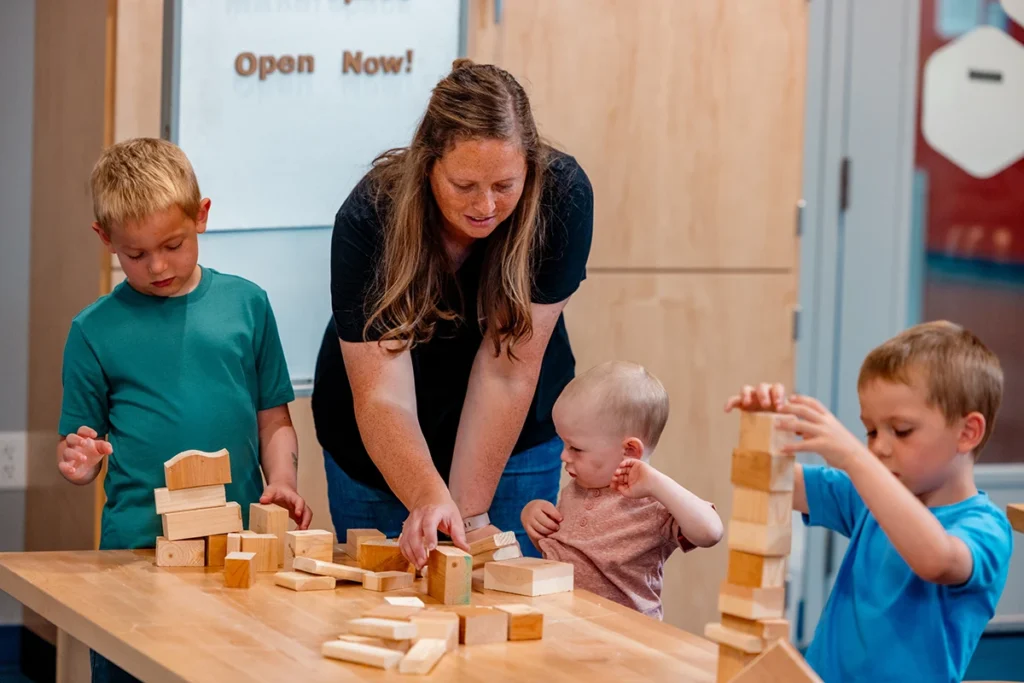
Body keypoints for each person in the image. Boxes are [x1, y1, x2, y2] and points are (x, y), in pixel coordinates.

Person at [312, 58, 593, 567]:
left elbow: (508, 371)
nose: (485, 205)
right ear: (428, 164)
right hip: (380, 444)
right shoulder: (370, 215)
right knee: (384, 602)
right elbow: (381, 394)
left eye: (505, 185)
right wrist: (425, 496)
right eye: (464, 186)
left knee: (496, 602)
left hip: (510, 442)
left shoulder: (562, 197)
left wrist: (465, 516)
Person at [59, 138, 312, 683]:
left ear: (202, 216)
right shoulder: (93, 331)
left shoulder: (248, 304)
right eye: (135, 254)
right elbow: (82, 446)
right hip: (134, 554)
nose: (157, 266)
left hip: (236, 551)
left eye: (172, 244)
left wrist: (285, 479)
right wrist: (80, 463)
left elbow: (274, 418)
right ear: (105, 240)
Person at [725, 320, 1012, 682]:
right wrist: (766, 427)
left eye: (901, 430)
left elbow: (936, 559)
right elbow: (775, 480)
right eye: (871, 431)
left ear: (967, 432)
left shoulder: (986, 528)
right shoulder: (871, 493)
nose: (877, 447)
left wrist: (855, 458)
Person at [521, 361, 723, 619]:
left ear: (629, 451)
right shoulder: (577, 488)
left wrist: (657, 484)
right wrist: (533, 516)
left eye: (576, 448)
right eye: (563, 443)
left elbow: (710, 532)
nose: (563, 456)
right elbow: (565, 556)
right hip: (565, 624)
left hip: (628, 638)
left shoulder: (655, 504)